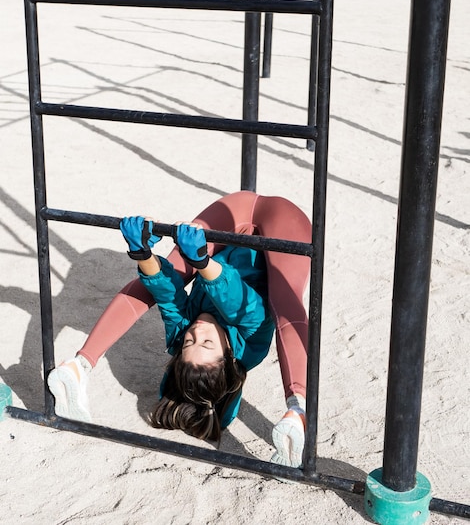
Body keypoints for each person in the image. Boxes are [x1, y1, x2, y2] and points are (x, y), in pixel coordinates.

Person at [48, 191, 311, 468]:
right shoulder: (250, 347)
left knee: (168, 270)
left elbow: (166, 293)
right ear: (228, 356)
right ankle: (298, 409)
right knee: (283, 300)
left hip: (235, 212)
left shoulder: (180, 334)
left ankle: (79, 365)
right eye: (206, 344)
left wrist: (142, 253)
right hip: (285, 221)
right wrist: (203, 263)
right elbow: (240, 304)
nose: (196, 332)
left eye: (188, 343)